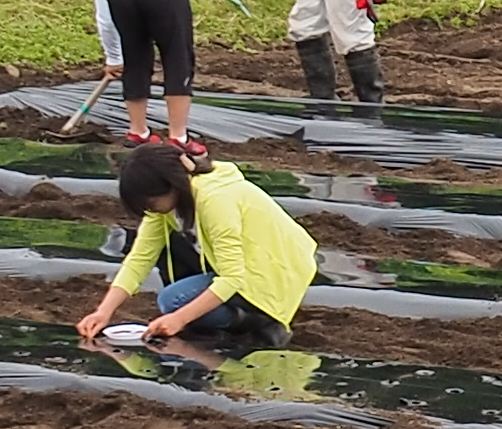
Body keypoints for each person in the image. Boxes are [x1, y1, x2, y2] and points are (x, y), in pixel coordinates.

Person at [79, 141, 322, 358]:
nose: (149, 210)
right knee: (175, 294)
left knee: (174, 301)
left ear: (170, 185)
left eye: (150, 203)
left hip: (275, 270)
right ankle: (241, 316)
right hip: (246, 267)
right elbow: (139, 259)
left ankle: (264, 323)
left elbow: (232, 277)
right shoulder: (168, 206)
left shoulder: (215, 200)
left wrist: (180, 319)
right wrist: (103, 312)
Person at [87, 0, 228, 145]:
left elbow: (104, 14)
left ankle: (137, 132)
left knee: (136, 59)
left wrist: (113, 58)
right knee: (176, 56)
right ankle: (178, 137)